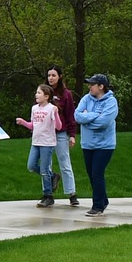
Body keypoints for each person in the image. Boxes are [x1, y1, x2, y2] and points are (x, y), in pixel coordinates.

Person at [74, 73, 118, 216]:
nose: (89, 87)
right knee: (91, 174)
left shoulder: (111, 102)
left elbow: (104, 122)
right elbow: (77, 116)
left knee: (97, 173)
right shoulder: (86, 98)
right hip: (87, 144)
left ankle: (97, 206)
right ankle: (103, 200)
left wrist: (87, 119)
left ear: (101, 86)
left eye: (92, 84)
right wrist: (93, 116)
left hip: (105, 145)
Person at [16, 83, 59, 207]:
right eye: (36, 92)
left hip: (47, 142)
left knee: (44, 170)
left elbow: (58, 126)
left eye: (39, 93)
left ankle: (48, 196)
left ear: (46, 96)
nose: (36, 95)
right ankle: (53, 176)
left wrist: (56, 114)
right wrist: (23, 122)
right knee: (31, 166)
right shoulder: (34, 108)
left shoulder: (51, 108)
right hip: (36, 141)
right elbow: (32, 125)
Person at [46, 66, 79, 207]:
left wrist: (72, 134)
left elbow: (70, 115)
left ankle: (71, 193)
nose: (51, 78)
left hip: (60, 134)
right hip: (46, 134)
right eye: (49, 75)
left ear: (60, 76)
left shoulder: (66, 94)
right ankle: (48, 193)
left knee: (65, 163)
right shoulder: (44, 92)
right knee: (46, 165)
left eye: (53, 75)